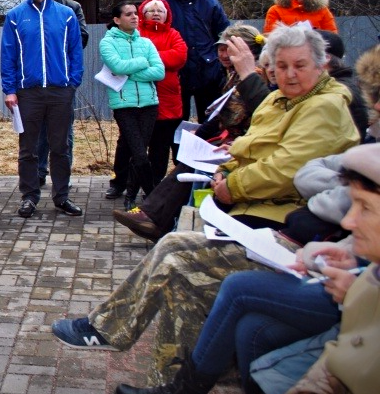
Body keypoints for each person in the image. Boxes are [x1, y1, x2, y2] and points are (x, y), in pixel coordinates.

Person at [52, 26, 360, 384]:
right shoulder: (282, 100)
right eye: (281, 66)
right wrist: (226, 169)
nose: (289, 74)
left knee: (174, 250)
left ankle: (106, 328)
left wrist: (233, 185)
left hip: (284, 229)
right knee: (181, 283)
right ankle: (167, 384)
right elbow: (249, 146)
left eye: (299, 65)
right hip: (257, 214)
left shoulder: (325, 106)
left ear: (322, 65)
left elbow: (285, 170)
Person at [116, 143, 380, 394]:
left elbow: (287, 167)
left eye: (365, 208)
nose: (349, 220)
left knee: (206, 270)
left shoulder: (325, 115)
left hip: (274, 219)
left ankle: (176, 380)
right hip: (295, 239)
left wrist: (355, 289)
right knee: (250, 327)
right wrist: (348, 262)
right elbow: (296, 167)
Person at [114, 24, 270, 241]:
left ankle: (154, 217)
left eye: (228, 49)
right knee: (190, 159)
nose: (223, 55)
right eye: (220, 49)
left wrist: (209, 134)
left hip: (243, 143)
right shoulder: (234, 75)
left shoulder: (254, 78)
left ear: (247, 51)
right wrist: (201, 133)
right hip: (233, 139)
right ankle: (154, 216)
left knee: (195, 161)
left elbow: (233, 116)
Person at [285, 143, 380, 394]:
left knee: (241, 292)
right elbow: (336, 366)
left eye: (365, 207)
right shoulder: (372, 274)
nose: (348, 221)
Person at [1, 0, 84, 218]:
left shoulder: (66, 15)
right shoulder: (15, 16)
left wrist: (72, 83)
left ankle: (62, 197)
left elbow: (75, 51)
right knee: (28, 149)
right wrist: (9, 89)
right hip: (28, 93)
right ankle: (29, 196)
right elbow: (8, 56)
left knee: (61, 147)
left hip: (60, 92)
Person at [99, 2, 165, 202]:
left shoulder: (146, 43)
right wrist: (143, 63)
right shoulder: (107, 42)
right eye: (128, 14)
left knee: (139, 153)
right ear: (117, 20)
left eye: (136, 13)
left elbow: (159, 72)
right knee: (140, 154)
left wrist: (130, 73)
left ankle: (131, 196)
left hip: (149, 104)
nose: (135, 17)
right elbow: (117, 67)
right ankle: (152, 196)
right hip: (124, 105)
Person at [34, 0, 89, 189]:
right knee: (39, 130)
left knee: (64, 131)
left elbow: (82, 40)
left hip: (63, 80)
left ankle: (62, 175)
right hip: (37, 82)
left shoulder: (72, 8)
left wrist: (73, 80)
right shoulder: (31, 9)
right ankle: (39, 172)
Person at [160, 0, 231, 123]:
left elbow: (225, 34)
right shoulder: (162, 4)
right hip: (176, 72)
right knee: (176, 122)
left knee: (211, 122)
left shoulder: (210, 2)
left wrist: (221, 61)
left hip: (208, 70)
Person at [138, 0, 187, 187]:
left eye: (161, 11)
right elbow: (132, 57)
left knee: (162, 145)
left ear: (167, 15)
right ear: (143, 14)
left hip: (169, 98)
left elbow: (179, 57)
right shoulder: (137, 34)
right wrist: (161, 59)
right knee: (139, 144)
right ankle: (134, 182)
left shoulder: (173, 34)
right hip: (141, 97)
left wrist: (150, 58)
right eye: (152, 11)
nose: (156, 14)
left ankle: (159, 184)